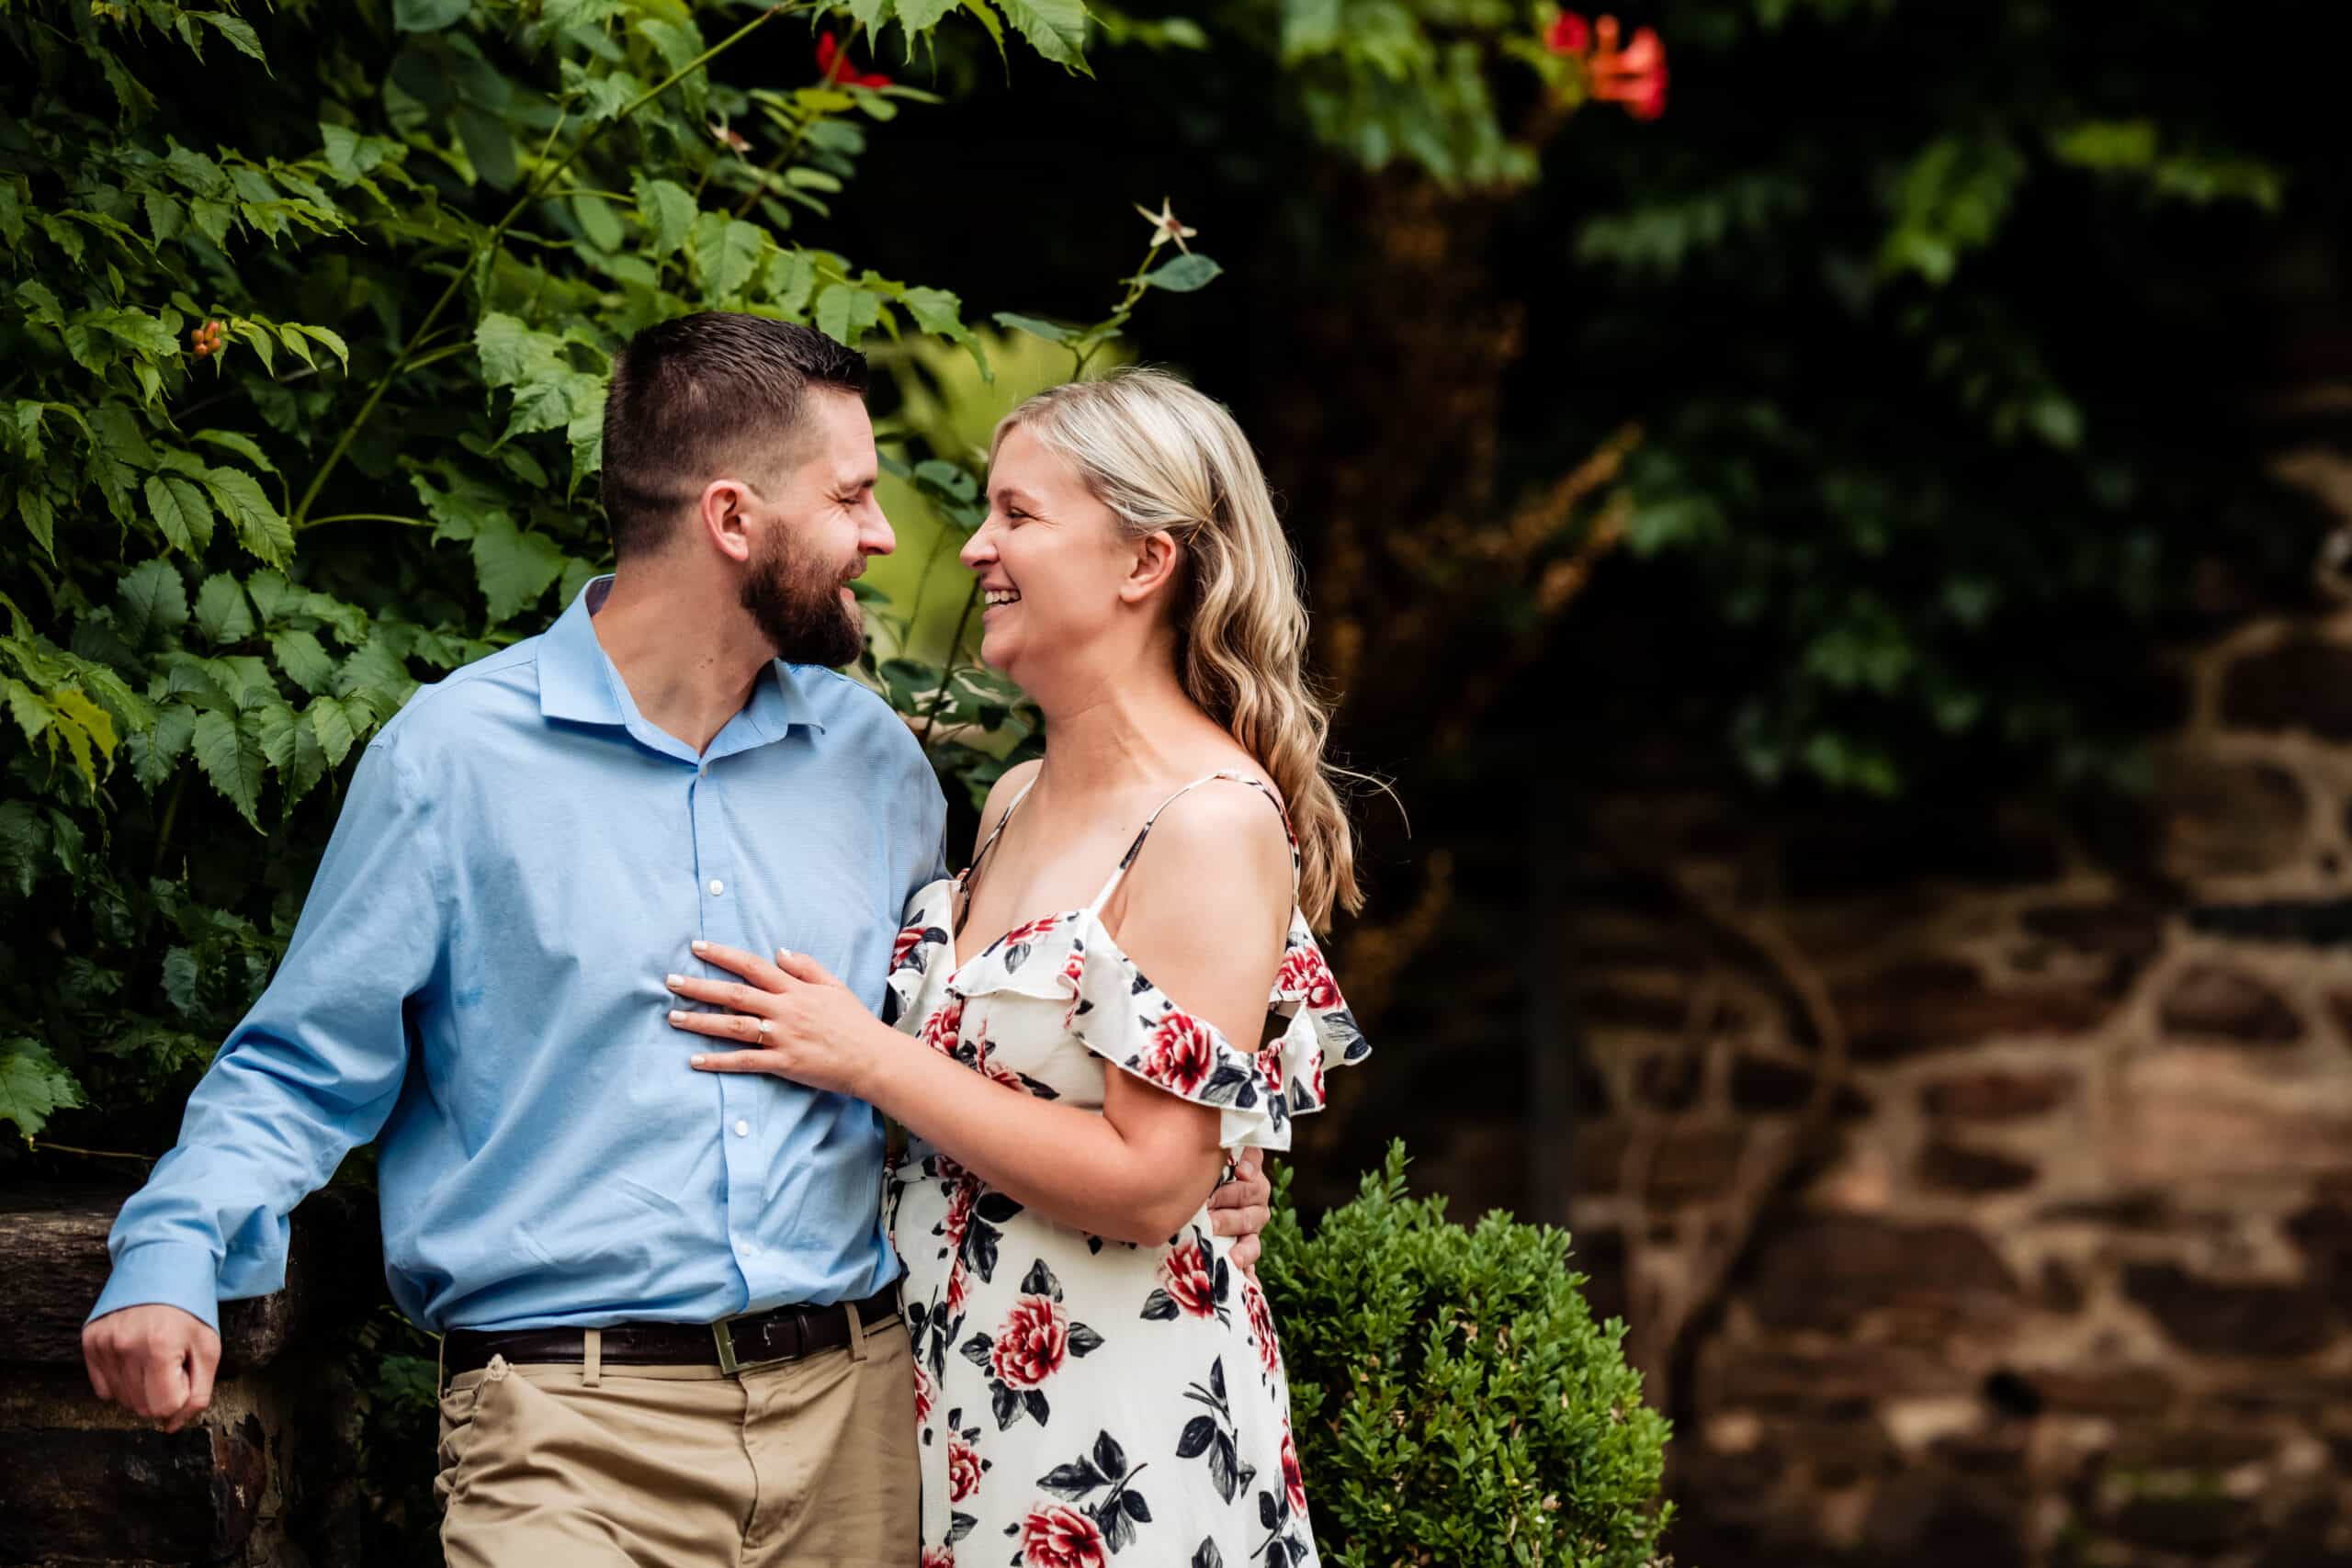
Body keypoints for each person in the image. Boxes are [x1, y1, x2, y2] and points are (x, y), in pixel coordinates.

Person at [78, 316, 1272, 1568]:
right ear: (732, 518)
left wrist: (1199, 1171)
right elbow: (301, 1067)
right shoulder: (455, 762)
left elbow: (967, 1050)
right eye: (850, 497)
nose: (885, 536)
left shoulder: (877, 768)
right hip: (568, 1434)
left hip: (859, 1429)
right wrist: (169, 1251)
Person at [659, 367, 1368, 1567]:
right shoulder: (1015, 800)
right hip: (949, 1412)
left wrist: (869, 1059)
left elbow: (1151, 1183)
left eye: (1019, 515)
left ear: (1145, 562)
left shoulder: (1207, 822)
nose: (976, 546)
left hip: (1113, 1441)